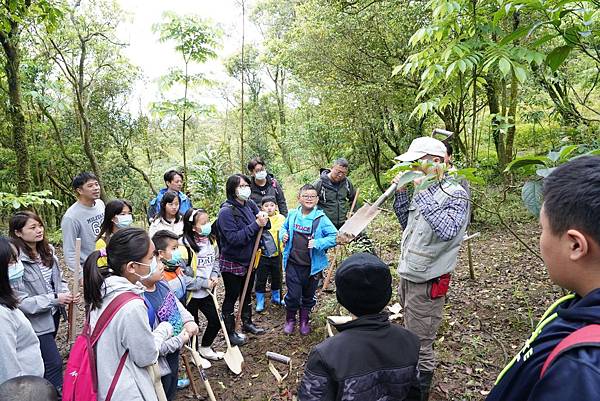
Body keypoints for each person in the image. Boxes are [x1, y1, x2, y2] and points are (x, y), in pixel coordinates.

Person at [486, 155, 600, 401]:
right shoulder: (578, 304)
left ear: (575, 245)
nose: (541, 240)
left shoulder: (581, 370)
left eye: (542, 229)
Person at [392, 136, 469, 400]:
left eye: (416, 163)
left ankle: (419, 393)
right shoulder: (424, 187)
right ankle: (409, 381)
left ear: (436, 162)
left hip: (428, 280)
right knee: (410, 331)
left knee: (421, 343)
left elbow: (448, 230)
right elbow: (406, 223)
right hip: (409, 273)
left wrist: (421, 192)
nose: (411, 169)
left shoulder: (454, 193)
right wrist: (402, 193)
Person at [298, 253, 421, 400]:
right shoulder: (410, 342)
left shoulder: (325, 355)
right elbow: (415, 394)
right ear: (387, 295)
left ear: (341, 298)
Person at [83, 227, 161, 401]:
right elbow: (145, 356)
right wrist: (163, 331)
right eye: (151, 257)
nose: (157, 260)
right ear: (132, 267)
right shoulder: (132, 306)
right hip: (126, 390)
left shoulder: (103, 289)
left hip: (106, 381)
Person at [9, 211, 79, 392]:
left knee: (43, 359)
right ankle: (55, 392)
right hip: (35, 321)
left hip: (53, 315)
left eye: (40, 225)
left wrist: (64, 294)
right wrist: (54, 299)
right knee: (54, 362)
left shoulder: (48, 251)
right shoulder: (15, 261)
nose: (39, 230)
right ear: (18, 232)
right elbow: (21, 301)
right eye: (32, 228)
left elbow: (58, 279)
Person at [139, 236, 199, 401]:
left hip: (174, 350)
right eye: (154, 260)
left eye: (159, 260)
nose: (161, 265)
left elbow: (176, 304)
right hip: (159, 363)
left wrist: (188, 320)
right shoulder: (141, 302)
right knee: (162, 392)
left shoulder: (162, 282)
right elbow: (154, 347)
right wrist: (181, 339)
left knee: (172, 384)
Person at [216, 174, 268, 345]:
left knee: (246, 294)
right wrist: (256, 224)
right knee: (232, 295)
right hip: (232, 261)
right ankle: (230, 331)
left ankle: (247, 322)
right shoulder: (226, 212)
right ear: (232, 189)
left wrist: (263, 217)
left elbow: (265, 224)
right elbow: (234, 239)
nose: (245, 188)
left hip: (251, 258)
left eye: (246, 185)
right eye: (241, 186)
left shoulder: (250, 204)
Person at [280, 184, 337, 335]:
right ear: (299, 198)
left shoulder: (321, 218)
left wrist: (318, 243)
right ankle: (290, 319)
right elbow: (283, 228)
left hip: (312, 267)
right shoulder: (292, 215)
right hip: (293, 264)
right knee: (293, 295)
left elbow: (334, 236)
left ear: (317, 199)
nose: (309, 199)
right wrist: (283, 235)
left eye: (312, 196)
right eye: (305, 196)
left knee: (308, 295)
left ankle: (304, 320)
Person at [181, 209, 224, 361]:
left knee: (216, 320)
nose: (207, 226)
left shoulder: (211, 240)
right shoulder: (184, 247)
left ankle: (205, 347)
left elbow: (216, 260)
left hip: (208, 292)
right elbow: (183, 277)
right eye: (203, 223)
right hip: (191, 294)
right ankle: (194, 355)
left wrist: (213, 275)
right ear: (193, 227)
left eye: (208, 222)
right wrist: (203, 283)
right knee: (194, 326)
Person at [0, 237, 44, 385]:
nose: (18, 266)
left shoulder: (6, 304)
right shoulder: (2, 315)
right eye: (12, 262)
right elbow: (8, 370)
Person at [61, 172, 105, 271]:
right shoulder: (71, 217)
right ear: (80, 190)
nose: (96, 188)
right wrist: (80, 275)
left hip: (106, 260)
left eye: (96, 184)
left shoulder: (100, 204)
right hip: (90, 266)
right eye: (90, 186)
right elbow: (70, 250)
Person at [255, 195, 286, 312]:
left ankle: (276, 296)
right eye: (266, 206)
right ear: (262, 207)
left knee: (276, 276)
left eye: (272, 205)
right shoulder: (260, 219)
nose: (269, 208)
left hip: (278, 254)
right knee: (261, 277)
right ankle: (260, 300)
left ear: (276, 207)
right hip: (262, 254)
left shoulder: (281, 218)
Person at [313, 158, 358, 229]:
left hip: (343, 223)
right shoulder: (320, 183)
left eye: (344, 173)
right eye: (338, 172)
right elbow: (309, 201)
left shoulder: (346, 183)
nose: (340, 175)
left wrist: (353, 212)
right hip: (325, 224)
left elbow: (353, 198)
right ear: (332, 168)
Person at [96, 199, 133, 267]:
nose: (127, 216)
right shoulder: (102, 243)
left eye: (129, 213)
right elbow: (102, 269)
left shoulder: (133, 236)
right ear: (112, 217)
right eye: (123, 214)